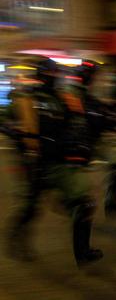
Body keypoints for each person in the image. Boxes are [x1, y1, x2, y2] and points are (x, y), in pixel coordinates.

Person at [4, 57, 103, 265]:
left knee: (85, 203)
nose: (53, 78)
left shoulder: (61, 99)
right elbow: (7, 123)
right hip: (36, 164)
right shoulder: (26, 99)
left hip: (59, 163)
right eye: (50, 74)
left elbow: (74, 125)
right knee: (31, 208)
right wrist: (19, 136)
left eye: (55, 74)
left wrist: (80, 149)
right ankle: (16, 237)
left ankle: (83, 253)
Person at [73, 60, 116, 217]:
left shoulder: (90, 95)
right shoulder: (75, 94)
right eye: (97, 76)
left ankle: (111, 204)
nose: (100, 80)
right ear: (90, 77)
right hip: (79, 144)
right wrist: (112, 121)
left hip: (94, 141)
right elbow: (95, 116)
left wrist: (115, 120)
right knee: (80, 194)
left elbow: (101, 112)